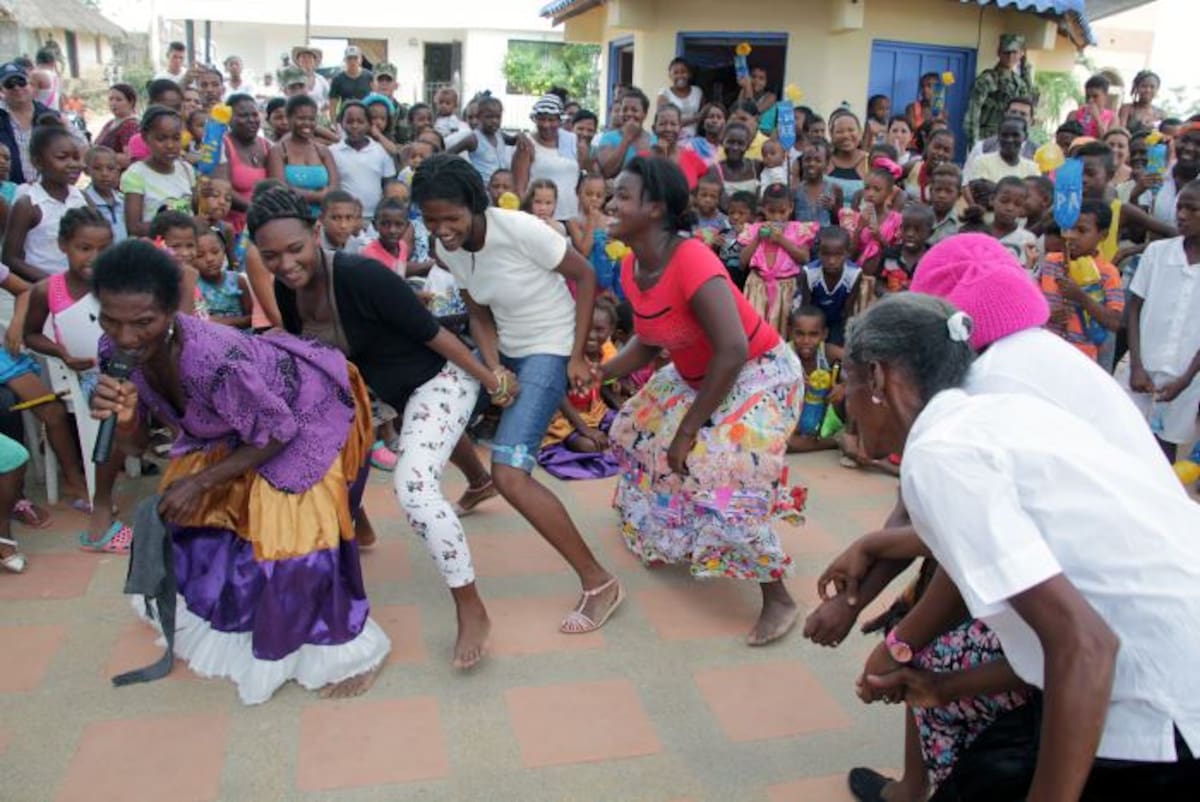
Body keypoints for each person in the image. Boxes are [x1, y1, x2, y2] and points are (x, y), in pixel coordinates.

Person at [842, 292, 1200, 801]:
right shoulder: (994, 415)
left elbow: (1086, 643)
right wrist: (942, 688)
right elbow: (1075, 619)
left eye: (848, 385)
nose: (843, 403)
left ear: (877, 378)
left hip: (1161, 707)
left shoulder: (939, 454)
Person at [90, 238, 390, 703]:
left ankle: (350, 652)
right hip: (230, 423)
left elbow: (278, 433)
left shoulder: (214, 358)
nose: (126, 337)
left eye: (143, 322)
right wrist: (124, 414)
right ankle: (243, 606)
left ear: (171, 312)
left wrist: (203, 480)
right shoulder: (113, 349)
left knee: (290, 539)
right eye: (112, 320)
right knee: (188, 511)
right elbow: (133, 447)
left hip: (301, 412)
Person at [245, 187, 495, 668]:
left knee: (415, 488)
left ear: (316, 234)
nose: (286, 264)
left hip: (442, 378)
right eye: (271, 256)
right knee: (303, 451)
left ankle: (471, 607)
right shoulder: (284, 288)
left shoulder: (362, 275)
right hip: (383, 389)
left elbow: (435, 332)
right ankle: (459, 489)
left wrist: (489, 379)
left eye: (295, 249)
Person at [413, 153, 624, 635]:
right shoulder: (448, 250)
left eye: (451, 218)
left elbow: (585, 276)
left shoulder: (519, 229)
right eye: (431, 219)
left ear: (475, 205)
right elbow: (479, 312)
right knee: (438, 399)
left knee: (510, 471)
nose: (442, 229)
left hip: (551, 345)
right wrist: (493, 369)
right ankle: (476, 481)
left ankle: (600, 582)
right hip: (509, 350)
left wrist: (575, 356)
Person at [602, 155, 804, 644]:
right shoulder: (632, 267)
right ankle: (671, 534)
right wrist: (599, 372)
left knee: (720, 465)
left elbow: (733, 349)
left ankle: (777, 596)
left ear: (655, 209)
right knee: (634, 431)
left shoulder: (691, 258)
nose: (611, 204)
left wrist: (690, 428)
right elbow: (650, 339)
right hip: (700, 376)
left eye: (622, 196)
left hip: (759, 373)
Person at [22, 207, 131, 550]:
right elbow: (31, 336)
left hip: (126, 371)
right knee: (109, 412)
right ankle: (99, 506)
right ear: (64, 245)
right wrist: (63, 355)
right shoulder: (47, 290)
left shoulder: (119, 283)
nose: (94, 258)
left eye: (104, 249)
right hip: (82, 377)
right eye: (84, 248)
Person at [1121, 179, 1200, 463]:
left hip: (1184, 377)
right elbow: (1134, 310)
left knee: (1164, 451)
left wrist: (1186, 380)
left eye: (1192, 210)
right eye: (1180, 207)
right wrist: (1137, 366)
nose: (1181, 215)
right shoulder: (1158, 253)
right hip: (1141, 368)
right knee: (1126, 440)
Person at [1038, 201, 1123, 362]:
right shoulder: (1051, 262)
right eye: (1069, 228)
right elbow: (1032, 302)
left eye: (1082, 231)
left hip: (1081, 357)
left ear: (1103, 235)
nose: (1072, 236)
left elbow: (1114, 322)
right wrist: (1048, 314)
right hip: (1046, 347)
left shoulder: (1108, 273)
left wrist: (1081, 297)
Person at [3, 126, 87, 280]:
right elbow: (10, 258)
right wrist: (53, 284)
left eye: (76, 157)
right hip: (40, 289)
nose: (73, 164)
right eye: (62, 157)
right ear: (37, 162)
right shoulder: (29, 204)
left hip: (78, 287)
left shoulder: (82, 199)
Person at [738, 183, 816, 337]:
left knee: (782, 333)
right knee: (755, 333)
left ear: (791, 208)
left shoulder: (798, 229)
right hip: (757, 288)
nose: (776, 217)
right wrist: (757, 239)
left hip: (785, 290)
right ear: (763, 208)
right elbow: (742, 263)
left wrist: (782, 240)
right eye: (771, 212)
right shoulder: (754, 230)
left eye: (782, 212)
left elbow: (804, 258)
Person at [120, 107, 196, 238]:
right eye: (161, 139)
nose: (170, 145)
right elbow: (134, 227)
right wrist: (183, 224)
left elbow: (194, 209)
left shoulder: (186, 169)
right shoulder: (136, 175)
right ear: (145, 137)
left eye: (176, 138)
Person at [511, 94, 581, 224]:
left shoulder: (572, 140)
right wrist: (528, 218)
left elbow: (580, 179)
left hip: (571, 217)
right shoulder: (526, 144)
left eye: (551, 120)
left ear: (560, 120)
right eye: (541, 119)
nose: (546, 124)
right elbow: (519, 188)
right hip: (539, 219)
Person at [267, 95, 338, 218]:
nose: (307, 123)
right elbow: (279, 189)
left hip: (323, 221)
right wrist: (317, 196)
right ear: (289, 118)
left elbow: (335, 186)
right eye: (301, 118)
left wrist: (304, 194)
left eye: (311, 119)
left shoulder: (322, 151)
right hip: (290, 219)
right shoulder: (278, 151)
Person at [211, 94, 269, 235]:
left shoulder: (266, 145)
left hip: (265, 221)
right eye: (243, 115)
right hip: (234, 227)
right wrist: (257, 210)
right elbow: (223, 189)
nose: (251, 120)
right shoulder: (221, 145)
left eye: (255, 115)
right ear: (229, 119)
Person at [963, 33, 1034, 148]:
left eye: (1014, 52)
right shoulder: (987, 79)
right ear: (999, 53)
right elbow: (972, 114)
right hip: (987, 137)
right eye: (1006, 52)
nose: (1010, 56)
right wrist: (975, 144)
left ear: (1021, 54)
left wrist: (1025, 67)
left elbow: (1028, 104)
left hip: (1012, 137)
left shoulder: (1019, 82)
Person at [330, 101, 396, 221]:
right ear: (341, 123)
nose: (355, 126)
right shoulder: (332, 152)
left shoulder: (381, 151)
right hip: (344, 219)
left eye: (360, 122)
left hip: (375, 218)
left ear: (369, 124)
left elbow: (389, 184)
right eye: (349, 121)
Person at [800, 226, 862, 346]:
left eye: (838, 255)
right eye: (826, 255)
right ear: (818, 253)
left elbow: (847, 311)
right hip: (813, 318)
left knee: (837, 346)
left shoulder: (854, 274)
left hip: (837, 319)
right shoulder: (809, 272)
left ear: (847, 254)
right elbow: (806, 309)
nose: (832, 261)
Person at [0, 61, 59, 184]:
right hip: (9, 192)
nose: (16, 87)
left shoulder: (50, 116)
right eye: (9, 84)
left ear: (30, 85)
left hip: (48, 190)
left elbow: (79, 148)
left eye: (21, 82)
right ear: (2, 90)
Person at [446, 95, 512, 184]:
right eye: (489, 117)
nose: (494, 121)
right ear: (479, 117)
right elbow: (448, 154)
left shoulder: (499, 135)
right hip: (483, 187)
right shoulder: (474, 139)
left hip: (502, 186)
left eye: (498, 117)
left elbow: (513, 140)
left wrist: (521, 137)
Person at [194, 228, 251, 329]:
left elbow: (252, 318)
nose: (209, 259)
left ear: (223, 251)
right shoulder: (193, 286)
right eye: (200, 255)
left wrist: (225, 322)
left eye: (215, 252)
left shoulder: (238, 280)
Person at [962, 96, 1037, 172]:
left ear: (1031, 121)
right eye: (1013, 112)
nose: (1016, 116)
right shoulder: (983, 147)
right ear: (1005, 115)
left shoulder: (1037, 154)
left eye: (1023, 114)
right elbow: (967, 178)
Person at [595, 87, 657, 178]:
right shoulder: (608, 138)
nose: (629, 113)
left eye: (634, 110)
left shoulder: (654, 140)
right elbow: (607, 172)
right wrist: (626, 138)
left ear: (644, 114)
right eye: (624, 110)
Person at [963, 116, 1038, 185]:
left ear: (1025, 137)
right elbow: (976, 192)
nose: (1009, 140)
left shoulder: (1032, 169)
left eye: (1015, 135)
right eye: (1005, 135)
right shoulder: (982, 162)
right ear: (998, 136)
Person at [650, 104, 710, 190]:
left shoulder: (691, 157)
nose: (668, 128)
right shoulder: (644, 158)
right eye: (662, 124)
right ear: (654, 129)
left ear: (680, 128)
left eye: (673, 124)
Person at [83, 146, 127, 243]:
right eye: (97, 168)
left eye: (110, 168)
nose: (104, 173)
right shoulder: (83, 202)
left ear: (117, 170)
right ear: (86, 171)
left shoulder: (123, 200)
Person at [794, 139, 842, 226]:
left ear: (826, 164)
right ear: (802, 162)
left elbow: (839, 222)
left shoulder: (835, 189)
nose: (812, 163)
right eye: (807, 159)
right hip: (801, 238)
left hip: (826, 237)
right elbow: (791, 222)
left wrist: (833, 208)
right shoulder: (795, 191)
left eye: (818, 160)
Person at [827, 111, 869, 208]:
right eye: (839, 131)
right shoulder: (824, 160)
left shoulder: (870, 161)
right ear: (831, 134)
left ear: (860, 132)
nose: (846, 135)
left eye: (851, 130)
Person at [656, 57, 703, 138]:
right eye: (676, 73)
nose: (680, 75)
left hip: (693, 141)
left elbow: (704, 117)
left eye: (684, 72)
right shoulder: (664, 94)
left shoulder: (697, 92)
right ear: (670, 75)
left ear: (689, 74)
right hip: (671, 140)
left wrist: (700, 117)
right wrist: (696, 118)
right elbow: (664, 122)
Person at [95, 83, 139, 168]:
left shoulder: (131, 126)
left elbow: (129, 159)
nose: (113, 103)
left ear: (131, 102)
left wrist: (102, 156)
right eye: (111, 99)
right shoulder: (110, 123)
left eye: (118, 100)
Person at [329, 46, 373, 114]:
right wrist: (333, 123)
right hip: (346, 117)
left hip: (366, 116)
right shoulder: (337, 79)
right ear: (345, 60)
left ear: (360, 60)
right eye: (349, 58)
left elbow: (376, 97)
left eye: (355, 58)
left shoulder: (370, 76)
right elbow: (332, 105)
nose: (352, 61)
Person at [928, 163, 962, 245]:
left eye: (948, 191)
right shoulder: (920, 218)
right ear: (930, 191)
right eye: (938, 190)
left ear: (958, 195)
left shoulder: (961, 225)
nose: (942, 195)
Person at [684, 103, 726, 167]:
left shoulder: (729, 146)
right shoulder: (693, 145)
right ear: (703, 123)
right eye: (711, 117)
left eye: (719, 117)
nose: (715, 120)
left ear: (725, 122)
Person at [292, 45, 330, 114]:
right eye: (303, 57)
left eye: (309, 57)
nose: (306, 60)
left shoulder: (321, 80)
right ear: (298, 61)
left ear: (314, 61)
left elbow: (330, 99)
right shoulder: (293, 79)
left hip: (319, 118)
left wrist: (322, 109)